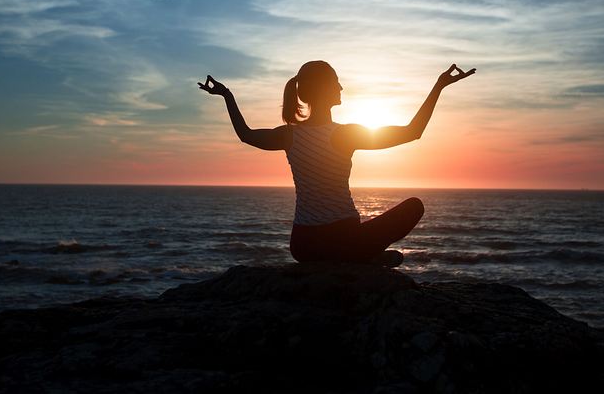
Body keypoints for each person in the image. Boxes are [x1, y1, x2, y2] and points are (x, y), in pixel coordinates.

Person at [197, 61, 475, 267]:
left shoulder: (289, 134)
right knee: (414, 206)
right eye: (336, 82)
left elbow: (245, 134)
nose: (341, 87)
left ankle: (362, 257)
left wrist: (227, 96)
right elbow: (412, 131)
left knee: (374, 247)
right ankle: (362, 258)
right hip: (344, 240)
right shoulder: (344, 133)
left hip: (303, 246)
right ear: (323, 89)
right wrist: (438, 86)